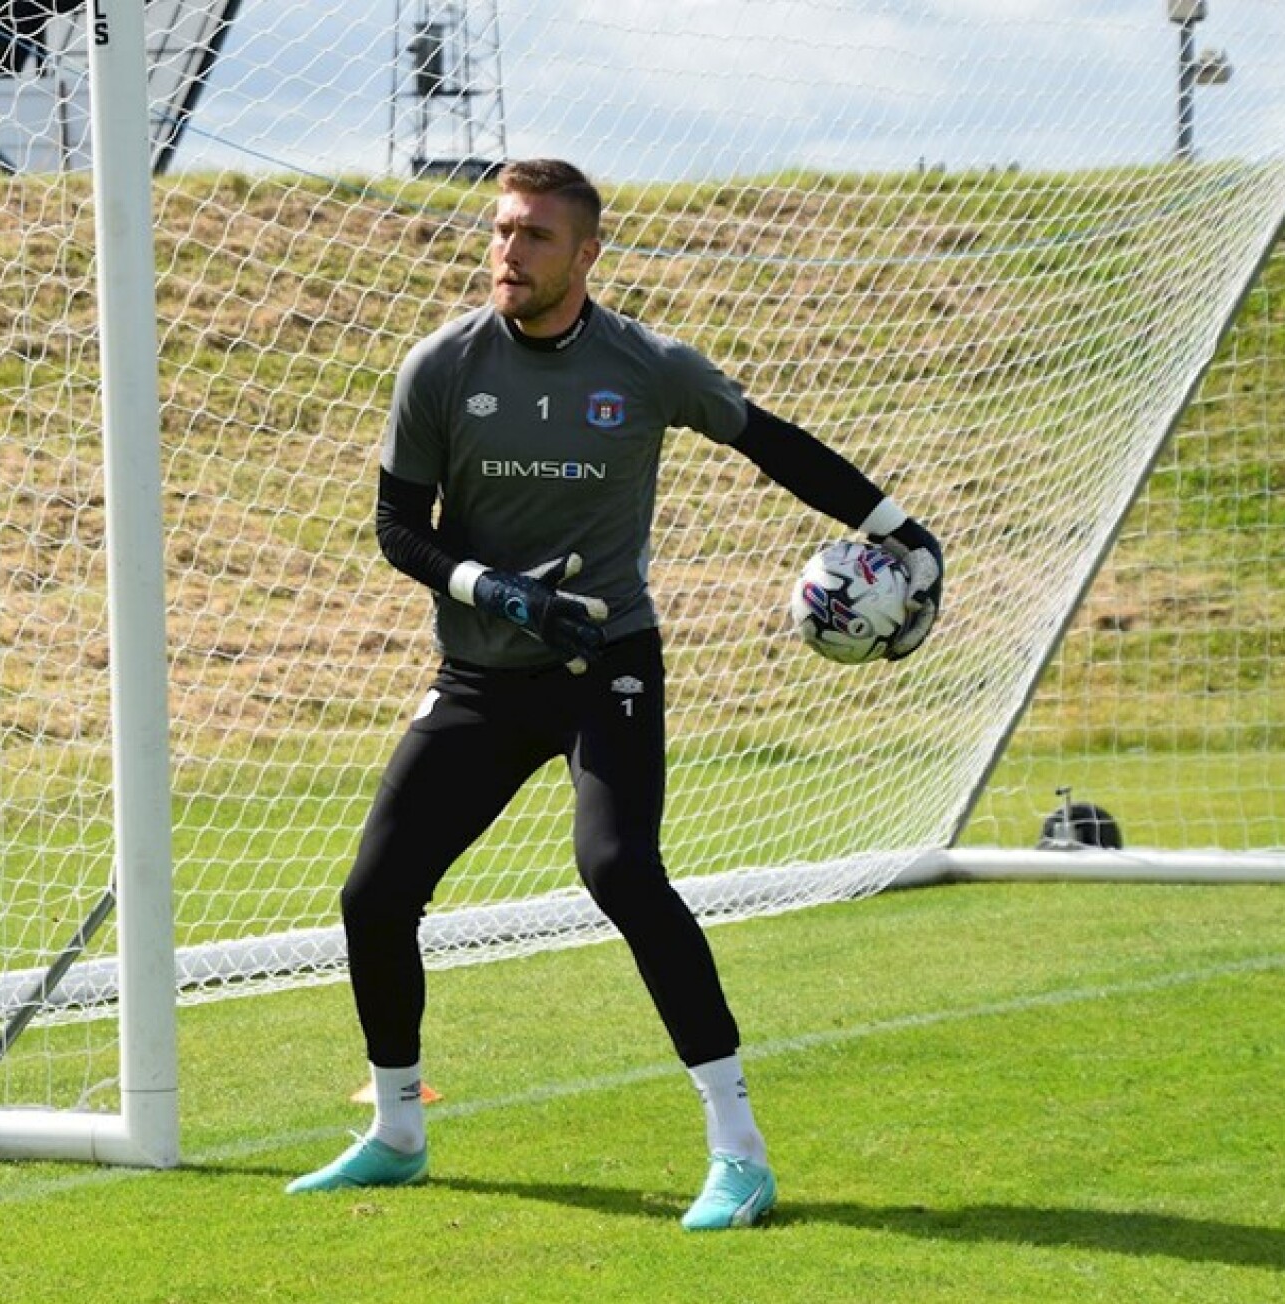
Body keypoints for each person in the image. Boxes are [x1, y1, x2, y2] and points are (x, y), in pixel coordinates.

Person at [285, 159, 943, 1230]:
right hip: (481, 673)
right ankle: (396, 1132)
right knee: (374, 893)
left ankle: (738, 1150)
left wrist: (896, 529)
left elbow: (768, 441)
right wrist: (485, 584)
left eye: (536, 236)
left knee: (619, 868)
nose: (509, 251)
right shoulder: (440, 368)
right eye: (501, 230)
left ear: (587, 254)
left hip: (606, 666)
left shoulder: (644, 365)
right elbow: (398, 527)